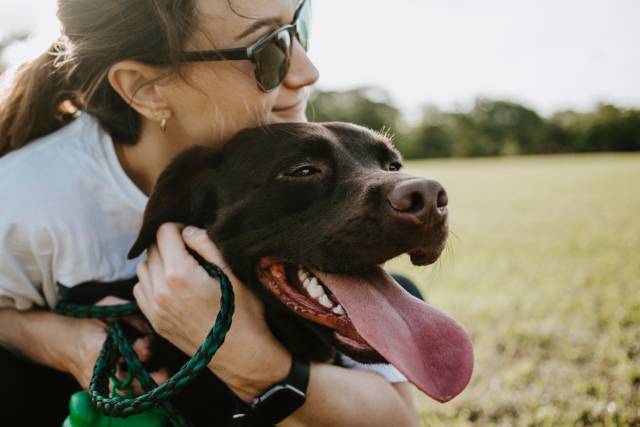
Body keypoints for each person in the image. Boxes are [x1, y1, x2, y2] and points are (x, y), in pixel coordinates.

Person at [0, 0, 420, 426]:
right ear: (146, 88)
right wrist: (62, 342)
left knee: (392, 286)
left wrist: (246, 354)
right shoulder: (23, 200)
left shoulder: (281, 143)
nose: (307, 70)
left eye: (300, 26)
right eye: (267, 49)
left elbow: (397, 420)